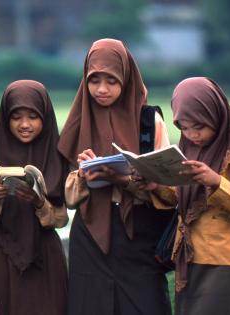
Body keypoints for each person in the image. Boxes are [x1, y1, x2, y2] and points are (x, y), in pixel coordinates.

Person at [58, 38, 177, 315]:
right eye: (94, 80)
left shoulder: (149, 122)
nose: (101, 89)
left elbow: (168, 188)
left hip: (139, 233)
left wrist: (123, 180)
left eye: (111, 81)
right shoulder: (77, 122)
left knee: (145, 305)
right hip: (90, 235)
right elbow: (68, 199)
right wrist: (83, 176)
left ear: (126, 78)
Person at [0, 80, 69, 315]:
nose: (24, 124)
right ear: (6, 118)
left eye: (33, 116)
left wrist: (39, 203)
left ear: (45, 117)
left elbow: (62, 218)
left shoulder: (57, 155)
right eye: (16, 117)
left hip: (45, 255)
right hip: (2, 254)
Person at [170, 77, 230, 315]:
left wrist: (216, 182)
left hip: (228, 262)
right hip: (192, 259)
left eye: (199, 126)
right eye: (183, 127)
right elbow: (180, 195)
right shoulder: (189, 148)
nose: (192, 134)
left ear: (215, 114)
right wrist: (150, 183)